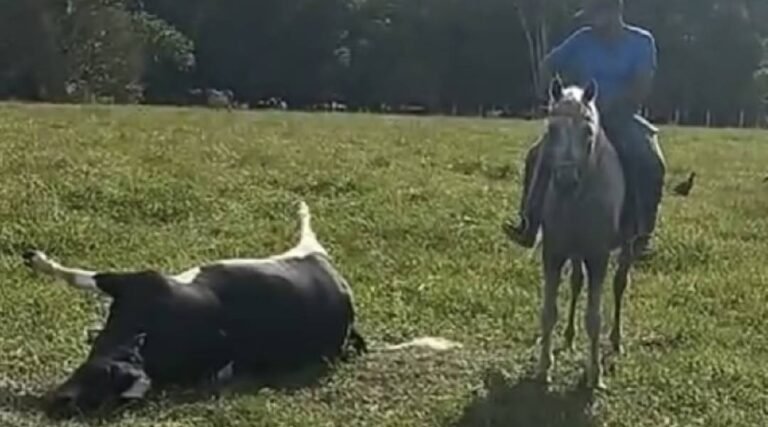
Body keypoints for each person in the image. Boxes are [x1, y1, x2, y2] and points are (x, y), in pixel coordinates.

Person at [504, 0, 666, 258]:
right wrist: (552, 99)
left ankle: (640, 234)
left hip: (620, 117)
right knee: (537, 155)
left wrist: (614, 105)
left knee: (648, 160)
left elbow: (641, 87)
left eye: (595, 14)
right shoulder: (581, 40)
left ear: (614, 12)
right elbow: (549, 63)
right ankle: (529, 223)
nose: (591, 20)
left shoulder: (642, 42)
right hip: (580, 118)